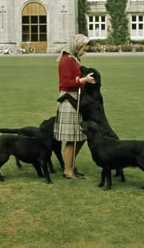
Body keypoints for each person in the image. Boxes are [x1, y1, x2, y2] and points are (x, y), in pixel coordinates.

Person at [53, 34, 96, 179]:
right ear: (77, 47)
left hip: (74, 99)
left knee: (79, 136)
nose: (85, 51)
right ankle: (68, 170)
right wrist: (83, 80)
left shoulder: (72, 59)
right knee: (73, 138)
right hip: (68, 99)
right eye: (84, 48)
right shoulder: (66, 60)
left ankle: (69, 165)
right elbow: (66, 83)